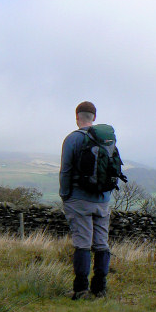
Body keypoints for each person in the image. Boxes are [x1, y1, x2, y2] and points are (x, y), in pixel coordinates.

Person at [59, 101, 111, 300]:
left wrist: (65, 195)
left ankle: (80, 289)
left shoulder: (73, 139)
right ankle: (100, 288)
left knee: (82, 243)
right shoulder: (107, 138)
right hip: (103, 200)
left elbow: (65, 170)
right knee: (101, 243)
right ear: (94, 118)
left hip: (79, 200)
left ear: (77, 116)